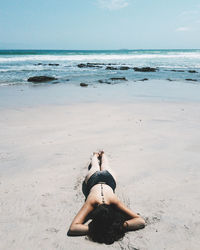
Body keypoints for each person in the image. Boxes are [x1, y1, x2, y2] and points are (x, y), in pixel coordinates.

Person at [68, 151, 145, 244]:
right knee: (101, 165)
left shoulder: (108, 201)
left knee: (97, 166)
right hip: (95, 180)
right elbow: (140, 221)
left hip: (107, 180)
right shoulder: (97, 202)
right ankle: (101, 154)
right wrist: (115, 227)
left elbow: (73, 228)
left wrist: (98, 229)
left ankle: (97, 155)